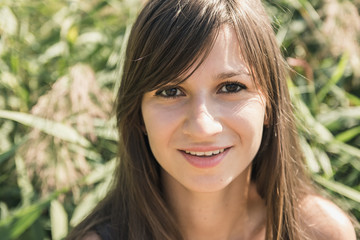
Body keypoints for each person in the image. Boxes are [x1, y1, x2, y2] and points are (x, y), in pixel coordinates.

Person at [67, 0, 357, 239]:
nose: (203, 127)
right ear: (138, 114)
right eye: (171, 91)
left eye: (231, 87)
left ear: (269, 105)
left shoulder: (320, 232)